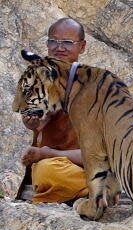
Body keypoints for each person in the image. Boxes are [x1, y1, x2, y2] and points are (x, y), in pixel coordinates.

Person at [16, 17, 88, 204]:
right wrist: (34, 125)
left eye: (67, 42)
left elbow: (96, 154)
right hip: (54, 167)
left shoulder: (93, 88)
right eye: (53, 41)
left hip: (84, 168)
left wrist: (48, 154)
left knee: (49, 171)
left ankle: (94, 189)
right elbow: (40, 129)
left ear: (82, 47)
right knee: (44, 171)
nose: (59, 47)